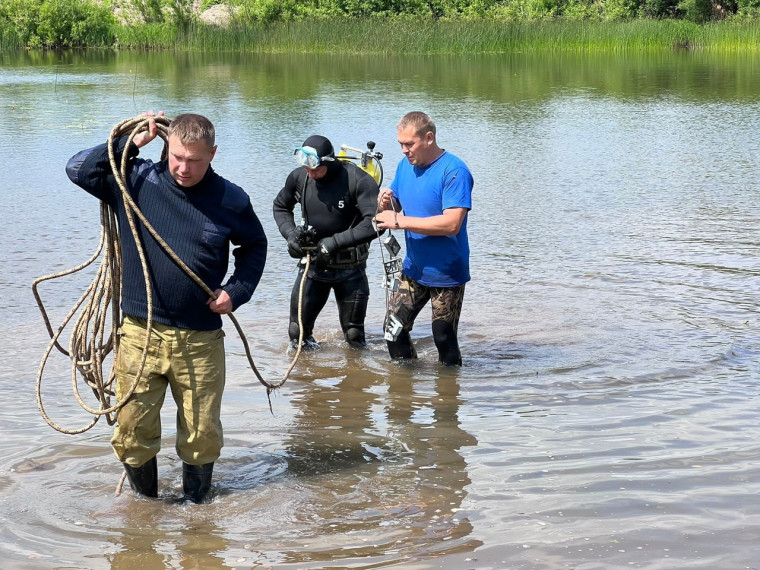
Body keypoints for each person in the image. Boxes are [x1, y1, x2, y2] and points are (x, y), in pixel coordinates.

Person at [65, 112, 268, 503]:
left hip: (201, 339)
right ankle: (147, 512)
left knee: (201, 434)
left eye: (194, 159)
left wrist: (236, 292)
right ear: (166, 146)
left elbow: (255, 247)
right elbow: (78, 170)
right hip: (140, 334)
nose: (183, 167)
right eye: (177, 156)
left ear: (213, 153)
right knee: (132, 431)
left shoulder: (230, 198)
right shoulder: (136, 179)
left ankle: (196, 511)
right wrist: (131, 143)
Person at [374, 112, 473, 366]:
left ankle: (447, 398)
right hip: (413, 268)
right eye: (401, 144)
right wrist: (388, 201)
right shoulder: (404, 165)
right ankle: (404, 390)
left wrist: (401, 221)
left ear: (429, 138)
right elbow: (398, 202)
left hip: (446, 271)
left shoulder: (454, 171)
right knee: (392, 330)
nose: (404, 150)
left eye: (410, 144)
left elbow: (452, 223)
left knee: (443, 336)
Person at [273, 135, 380, 349]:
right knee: (297, 333)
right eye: (306, 169)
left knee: (354, 336)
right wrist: (291, 234)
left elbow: (375, 223)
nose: (310, 174)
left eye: (315, 169)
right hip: (313, 267)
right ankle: (307, 380)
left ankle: (356, 379)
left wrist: (334, 242)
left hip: (350, 269)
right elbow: (281, 206)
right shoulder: (300, 178)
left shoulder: (357, 180)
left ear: (329, 162)